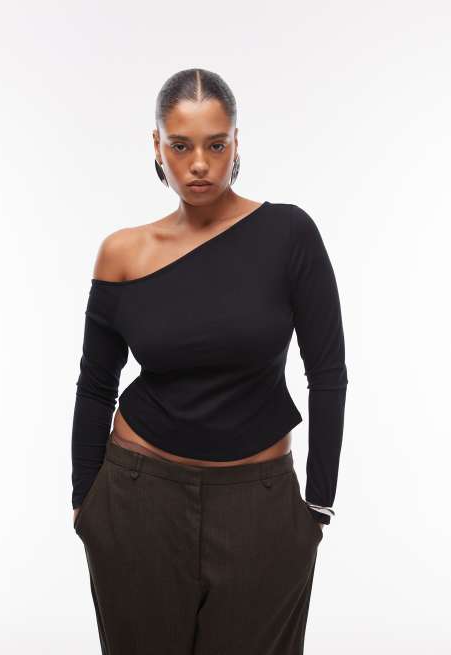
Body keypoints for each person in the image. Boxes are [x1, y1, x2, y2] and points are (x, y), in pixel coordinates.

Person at [70, 67, 348, 655]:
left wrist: (317, 506)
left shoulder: (289, 234)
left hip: (260, 507)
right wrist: (85, 504)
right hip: (138, 500)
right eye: (181, 145)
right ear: (157, 146)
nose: (199, 164)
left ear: (236, 143)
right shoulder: (123, 253)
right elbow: (95, 386)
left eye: (215, 145)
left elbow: (328, 374)